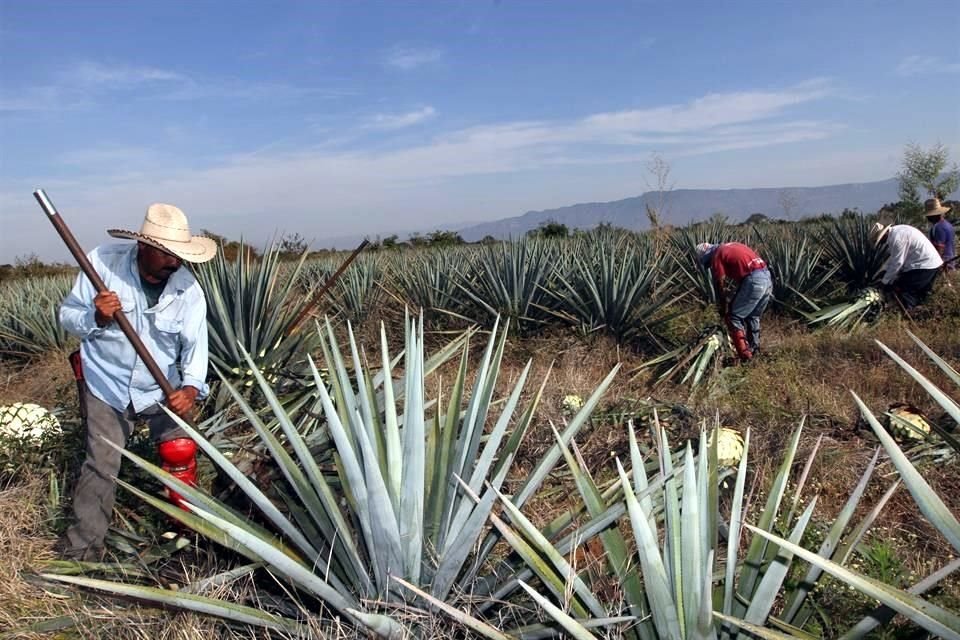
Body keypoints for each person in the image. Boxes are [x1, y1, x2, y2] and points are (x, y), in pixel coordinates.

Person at [57, 203, 217, 561]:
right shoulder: (101, 264)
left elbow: (196, 348)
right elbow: (68, 314)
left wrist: (190, 388)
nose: (175, 262)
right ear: (143, 246)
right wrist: (96, 316)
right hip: (107, 382)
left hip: (162, 386)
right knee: (102, 465)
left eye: (179, 255)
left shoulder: (187, 289)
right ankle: (82, 553)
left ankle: (188, 533)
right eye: (167, 255)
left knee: (180, 452)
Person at [696, 241, 772, 361]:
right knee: (752, 316)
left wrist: (723, 305)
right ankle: (755, 350)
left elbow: (720, 282)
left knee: (733, 317)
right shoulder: (731, 245)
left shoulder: (717, 255)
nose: (710, 265)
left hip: (754, 280)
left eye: (708, 262)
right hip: (767, 278)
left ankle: (745, 356)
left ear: (707, 255)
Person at [870, 221, 943, 308]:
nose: (881, 243)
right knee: (922, 292)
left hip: (924, 265)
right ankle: (923, 311)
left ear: (883, 235)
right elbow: (894, 258)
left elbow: (898, 263)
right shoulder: (897, 231)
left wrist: (884, 282)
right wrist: (884, 271)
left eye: (879, 241)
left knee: (906, 290)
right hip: (930, 263)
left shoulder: (897, 238)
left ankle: (910, 311)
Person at [925, 197, 956, 272]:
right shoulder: (948, 225)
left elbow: (939, 248)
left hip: (944, 265)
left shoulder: (939, 227)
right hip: (950, 261)